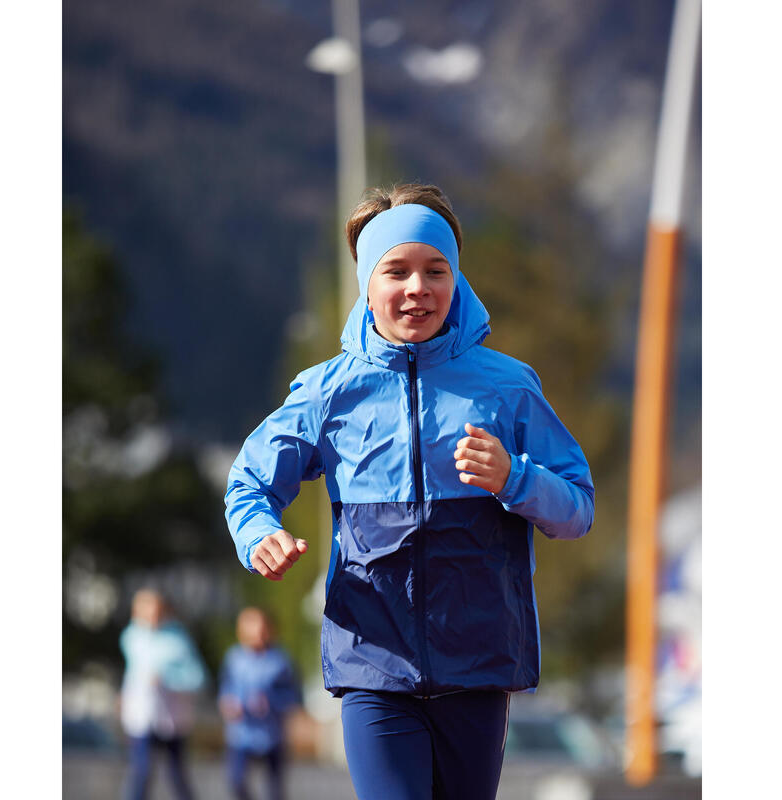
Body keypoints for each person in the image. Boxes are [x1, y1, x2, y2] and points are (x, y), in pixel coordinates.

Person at [224, 183, 595, 799]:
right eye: (396, 270)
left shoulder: (508, 387)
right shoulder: (328, 392)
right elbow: (250, 482)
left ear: (457, 281)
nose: (417, 287)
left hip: (478, 667)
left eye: (435, 270)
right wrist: (259, 533)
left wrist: (515, 478)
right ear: (368, 284)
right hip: (373, 666)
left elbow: (577, 509)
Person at [119, 588, 206, 800]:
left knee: (176, 775)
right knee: (142, 771)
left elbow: (198, 678)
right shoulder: (131, 637)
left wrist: (168, 679)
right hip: (142, 717)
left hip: (171, 719)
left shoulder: (178, 640)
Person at [218, 607, 300, 800]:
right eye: (251, 628)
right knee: (236, 781)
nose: (258, 633)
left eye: (262, 628)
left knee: (274, 789)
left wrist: (271, 702)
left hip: (272, 735)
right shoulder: (234, 658)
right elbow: (226, 688)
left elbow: (294, 696)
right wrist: (228, 703)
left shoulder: (280, 661)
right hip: (240, 734)